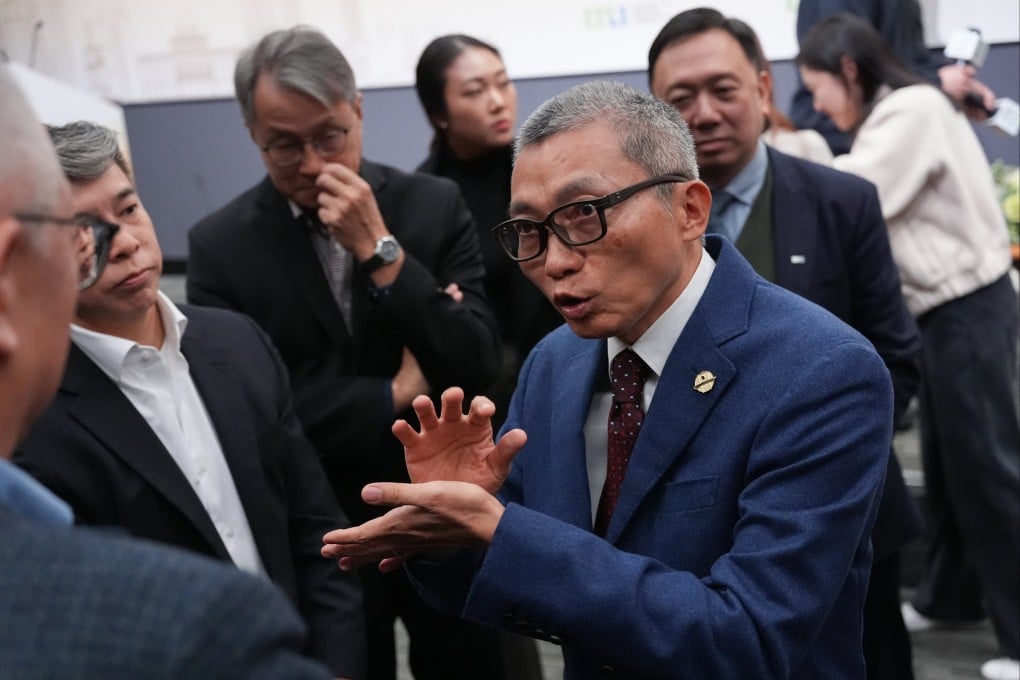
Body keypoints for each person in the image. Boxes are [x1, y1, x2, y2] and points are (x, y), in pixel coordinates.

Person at [323, 80, 894, 678]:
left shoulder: (820, 370)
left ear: (689, 210)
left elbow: (747, 639)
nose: (554, 261)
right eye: (529, 229)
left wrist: (504, 531)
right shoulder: (554, 363)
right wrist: (452, 532)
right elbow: (523, 585)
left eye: (584, 215)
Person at [186, 26, 505, 680]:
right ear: (252, 133)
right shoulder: (219, 247)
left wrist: (382, 253)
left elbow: (476, 362)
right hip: (321, 527)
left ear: (357, 110)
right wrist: (391, 395)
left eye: (330, 136)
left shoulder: (432, 204)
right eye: (284, 144)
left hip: (441, 509)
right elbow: (241, 410)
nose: (311, 163)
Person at [0, 64, 331, 680]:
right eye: (86, 231)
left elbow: (316, 530)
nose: (125, 242)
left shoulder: (237, 341)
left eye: (129, 208)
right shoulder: (30, 417)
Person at [647, 11, 923, 677]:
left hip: (843, 511)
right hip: (686, 530)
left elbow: (896, 356)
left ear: (764, 89)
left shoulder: (842, 202)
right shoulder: (642, 227)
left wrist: (824, 445)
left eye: (724, 89)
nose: (705, 113)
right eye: (680, 99)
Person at [798, 15, 1020, 680]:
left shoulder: (909, 111)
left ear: (847, 70)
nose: (820, 108)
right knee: (953, 471)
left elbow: (853, 195)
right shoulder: (905, 110)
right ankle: (950, 596)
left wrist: (787, 149)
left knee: (988, 469)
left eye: (817, 90)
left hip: (966, 308)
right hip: (949, 312)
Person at [415, 34, 562, 430]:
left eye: (502, 82)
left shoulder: (543, 171)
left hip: (563, 364)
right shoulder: (424, 199)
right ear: (439, 113)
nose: (498, 101)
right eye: (475, 91)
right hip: (480, 394)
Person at [791, 0, 998, 154]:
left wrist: (956, 85)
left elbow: (908, 56)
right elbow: (855, 63)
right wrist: (936, 81)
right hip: (843, 140)